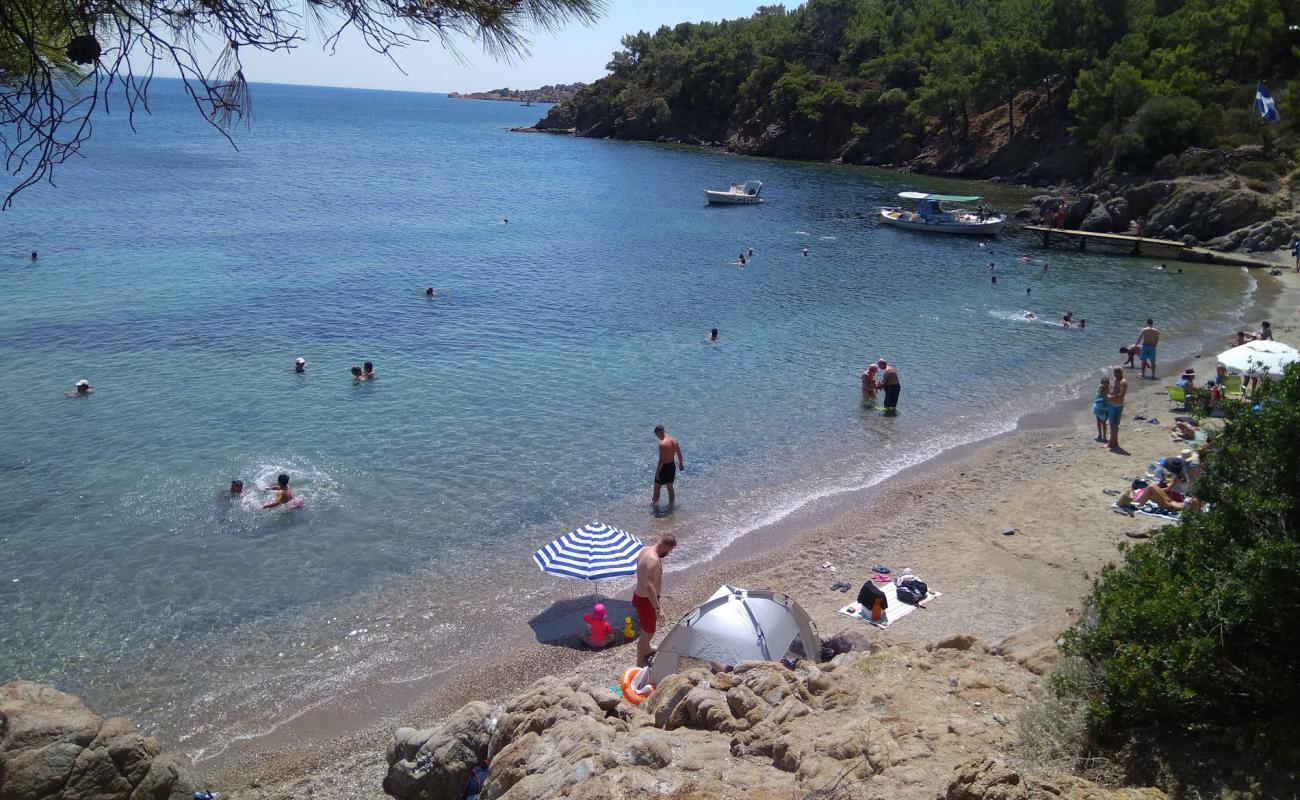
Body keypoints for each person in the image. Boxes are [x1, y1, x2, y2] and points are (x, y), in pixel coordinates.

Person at [632, 533, 676, 667]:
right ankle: (639, 664)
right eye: (669, 550)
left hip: (641, 597)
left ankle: (647, 648)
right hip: (646, 600)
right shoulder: (653, 559)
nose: (669, 553)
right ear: (665, 547)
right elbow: (648, 585)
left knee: (647, 627)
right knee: (648, 632)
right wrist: (658, 609)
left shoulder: (645, 550)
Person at [652, 425, 685, 507]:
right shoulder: (674, 440)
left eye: (657, 435)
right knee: (670, 487)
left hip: (664, 467)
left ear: (659, 432)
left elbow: (661, 461)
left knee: (657, 487)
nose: (658, 437)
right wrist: (681, 464)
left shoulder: (662, 444)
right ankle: (671, 506)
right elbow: (679, 454)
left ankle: (654, 505)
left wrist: (657, 472)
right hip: (672, 466)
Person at [1108, 366, 1128, 450]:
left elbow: (1121, 395)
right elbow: (1111, 389)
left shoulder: (1123, 382)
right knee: (1112, 424)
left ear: (1121, 372)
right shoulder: (1114, 379)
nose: (1115, 374)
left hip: (1117, 406)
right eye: (1114, 372)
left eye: (1117, 372)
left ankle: (1114, 443)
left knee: (1115, 425)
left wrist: (1110, 398)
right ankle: (1111, 442)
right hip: (1111, 405)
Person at [1093, 377, 1111, 442]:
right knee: (1098, 421)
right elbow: (1096, 397)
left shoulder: (1109, 389)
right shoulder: (1099, 388)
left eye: (1106, 384)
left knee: (1103, 422)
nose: (1105, 385)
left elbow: (1109, 399)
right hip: (1098, 407)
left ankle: (1104, 436)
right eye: (1103, 383)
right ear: (1101, 383)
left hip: (1105, 408)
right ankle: (1099, 434)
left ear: (1108, 384)